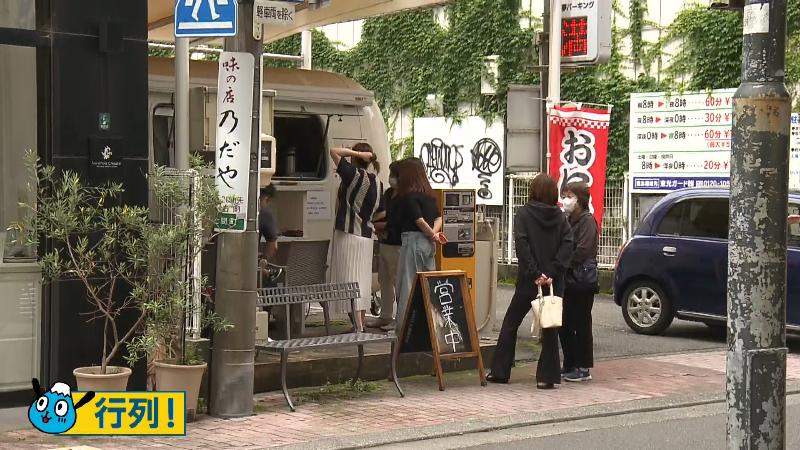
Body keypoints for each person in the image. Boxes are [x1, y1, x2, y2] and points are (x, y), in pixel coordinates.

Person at [487, 173, 574, 389]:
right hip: (554, 283)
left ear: (533, 191)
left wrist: (535, 273)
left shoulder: (524, 214)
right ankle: (547, 377)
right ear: (553, 193)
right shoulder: (560, 217)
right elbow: (567, 244)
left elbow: (522, 246)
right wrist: (553, 271)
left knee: (510, 323)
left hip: (529, 281)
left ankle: (500, 371)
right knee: (550, 327)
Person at [383, 159, 446, 332]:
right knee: (428, 284)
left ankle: (403, 327)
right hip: (428, 244)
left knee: (407, 285)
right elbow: (439, 218)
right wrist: (433, 234)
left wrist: (430, 233)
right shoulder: (429, 195)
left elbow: (418, 219)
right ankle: (432, 326)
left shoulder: (408, 196)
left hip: (412, 241)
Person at [329, 143, 384, 332]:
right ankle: (359, 325)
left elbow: (333, 151)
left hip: (348, 235)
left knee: (348, 281)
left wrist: (356, 152)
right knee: (361, 281)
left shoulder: (353, 174)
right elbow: (380, 214)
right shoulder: (378, 182)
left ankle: (358, 326)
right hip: (367, 237)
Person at [559, 181, 599, 383]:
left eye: (570, 196)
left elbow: (583, 250)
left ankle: (583, 367)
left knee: (581, 322)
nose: (566, 200)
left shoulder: (587, 221)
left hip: (582, 279)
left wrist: (563, 262)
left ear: (580, 199)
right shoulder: (567, 219)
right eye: (564, 195)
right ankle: (569, 363)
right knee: (565, 322)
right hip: (568, 279)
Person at [367, 162, 402, 329]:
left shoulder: (406, 196)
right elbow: (380, 213)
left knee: (398, 281)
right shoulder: (388, 194)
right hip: (384, 241)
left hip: (398, 244)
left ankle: (399, 318)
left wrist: (383, 226)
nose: (391, 178)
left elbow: (398, 220)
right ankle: (385, 315)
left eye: (393, 174)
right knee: (384, 280)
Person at [258, 184, 279, 261]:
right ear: (266, 198)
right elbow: (273, 246)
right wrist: (264, 259)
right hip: (247, 264)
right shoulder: (265, 213)